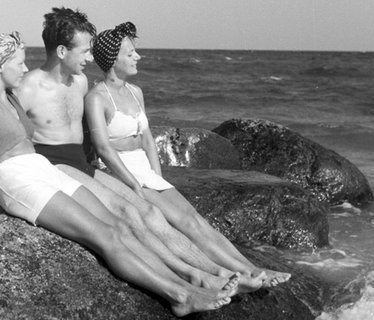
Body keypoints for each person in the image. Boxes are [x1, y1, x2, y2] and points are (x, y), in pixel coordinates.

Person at [0, 31, 238, 317]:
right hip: (14, 178)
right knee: (104, 236)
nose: (25, 68)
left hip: (40, 166)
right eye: (18, 63)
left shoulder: (9, 96)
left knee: (119, 225)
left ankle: (189, 278)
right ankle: (179, 295)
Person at [16, 7, 265, 292]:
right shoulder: (28, 87)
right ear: (62, 51)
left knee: (149, 214)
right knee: (128, 214)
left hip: (84, 165)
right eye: (85, 51)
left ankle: (214, 270)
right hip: (55, 165)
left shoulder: (81, 82)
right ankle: (194, 276)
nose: (89, 57)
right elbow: (8, 138)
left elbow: (93, 133)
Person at [86, 22, 291, 287]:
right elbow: (103, 147)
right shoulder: (97, 98)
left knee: (195, 220)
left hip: (145, 171)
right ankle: (231, 275)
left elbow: (147, 138)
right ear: (113, 59)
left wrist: (157, 177)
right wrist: (134, 184)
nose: (138, 56)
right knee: (180, 224)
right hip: (121, 172)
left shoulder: (136, 92)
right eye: (131, 53)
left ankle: (250, 269)